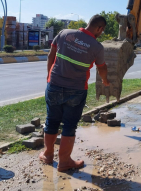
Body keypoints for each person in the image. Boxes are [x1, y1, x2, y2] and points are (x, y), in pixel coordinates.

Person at [39, 15, 110, 172]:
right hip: (77, 89)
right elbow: (102, 67)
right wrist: (105, 81)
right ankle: (64, 161)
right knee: (70, 125)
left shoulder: (64, 33)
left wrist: (49, 76)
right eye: (102, 30)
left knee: (51, 120)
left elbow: (51, 55)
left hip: (54, 84)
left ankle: (48, 154)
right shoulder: (97, 47)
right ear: (100, 28)